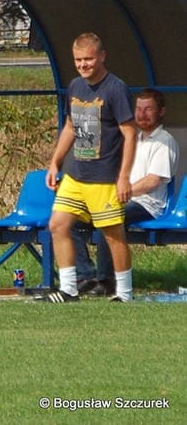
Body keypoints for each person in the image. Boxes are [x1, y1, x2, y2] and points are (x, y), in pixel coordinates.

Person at [44, 32, 137, 303]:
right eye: (78, 60)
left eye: (88, 59)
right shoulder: (75, 86)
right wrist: (55, 163)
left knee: (112, 234)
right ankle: (69, 289)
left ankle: (125, 293)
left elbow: (129, 134)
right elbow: (71, 127)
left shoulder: (115, 88)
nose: (83, 65)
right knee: (58, 225)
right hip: (75, 174)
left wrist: (124, 177)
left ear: (102, 57)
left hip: (104, 176)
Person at [74, 88, 179, 296]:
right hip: (120, 199)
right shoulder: (131, 140)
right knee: (68, 219)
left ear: (161, 111)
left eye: (149, 109)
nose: (142, 114)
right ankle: (85, 276)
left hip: (147, 204)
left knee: (109, 217)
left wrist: (121, 194)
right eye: (139, 109)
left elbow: (153, 181)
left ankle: (106, 280)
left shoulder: (164, 141)